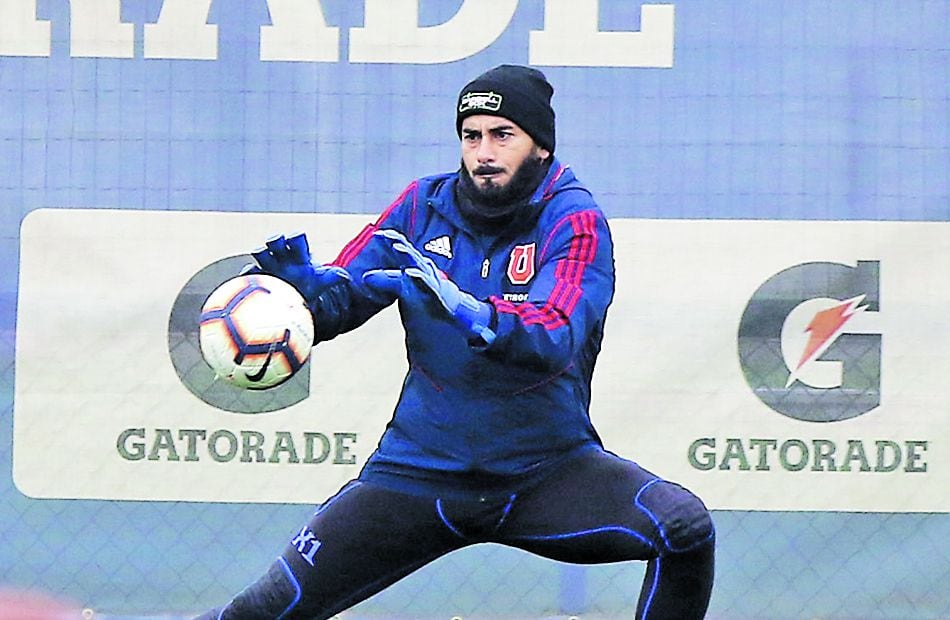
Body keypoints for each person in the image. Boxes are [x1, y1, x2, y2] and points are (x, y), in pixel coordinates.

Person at [196, 64, 715, 620]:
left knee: (682, 527)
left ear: (540, 146)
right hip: (418, 472)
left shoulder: (575, 219)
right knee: (264, 608)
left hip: (544, 472)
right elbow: (346, 297)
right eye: (472, 135)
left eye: (502, 135)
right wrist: (311, 297)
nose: (484, 152)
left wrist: (469, 310)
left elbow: (555, 334)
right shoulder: (422, 206)